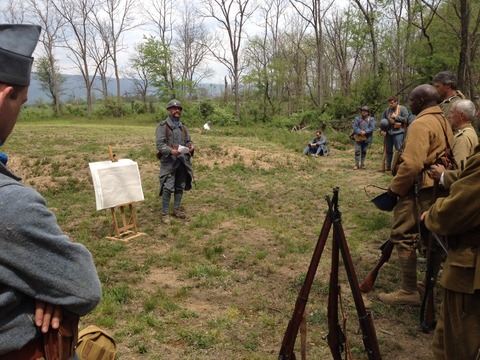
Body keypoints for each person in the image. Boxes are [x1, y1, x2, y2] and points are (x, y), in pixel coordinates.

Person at [0, 24, 102, 357]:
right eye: (22, 102)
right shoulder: (10, 203)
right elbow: (83, 286)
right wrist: (47, 283)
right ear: (5, 97)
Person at [377, 84, 454, 306]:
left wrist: (394, 189)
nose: (409, 103)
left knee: (402, 233)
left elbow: (411, 164)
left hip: (419, 188)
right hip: (436, 186)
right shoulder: (442, 119)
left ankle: (409, 290)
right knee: (432, 238)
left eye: (411, 99)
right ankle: (428, 287)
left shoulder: (422, 123)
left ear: (420, 101)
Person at [420, 108, 480, 358]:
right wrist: (446, 175)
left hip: (471, 265)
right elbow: (468, 176)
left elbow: (455, 210)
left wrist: (432, 214)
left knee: (455, 345)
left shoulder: (465, 137)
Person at [156, 99, 195, 224]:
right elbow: (160, 144)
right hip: (169, 162)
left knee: (180, 186)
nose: (176, 110)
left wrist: (190, 146)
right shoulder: (162, 127)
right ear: (169, 110)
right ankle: (165, 213)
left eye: (179, 108)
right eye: (174, 108)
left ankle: (176, 209)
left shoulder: (183, 127)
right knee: (168, 187)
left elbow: (188, 141)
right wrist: (171, 151)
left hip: (182, 161)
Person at [429, 99, 479, 188]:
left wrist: (443, 174)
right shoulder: (469, 132)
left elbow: (459, 170)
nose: (449, 116)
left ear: (461, 115)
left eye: (452, 113)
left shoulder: (462, 138)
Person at [379, 96, 410, 171]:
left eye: (392, 103)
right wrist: (382, 130)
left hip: (399, 132)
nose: (390, 104)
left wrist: (396, 117)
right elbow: (382, 121)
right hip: (389, 133)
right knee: (388, 151)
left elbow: (407, 120)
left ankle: (398, 167)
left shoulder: (402, 109)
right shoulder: (387, 111)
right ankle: (388, 167)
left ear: (396, 102)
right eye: (389, 103)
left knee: (399, 151)